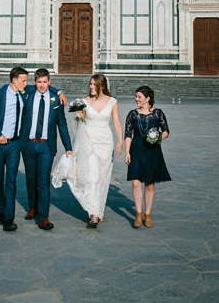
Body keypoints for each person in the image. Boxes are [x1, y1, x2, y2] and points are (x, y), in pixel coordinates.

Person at [0, 66, 66, 231]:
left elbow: (42, 85)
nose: (26, 84)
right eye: (23, 81)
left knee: (11, 180)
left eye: (26, 81)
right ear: (14, 80)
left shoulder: (24, 94)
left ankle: (9, 219)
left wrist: (59, 92)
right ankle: (2, 212)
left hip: (15, 144)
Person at [56, 73, 123, 228]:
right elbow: (78, 124)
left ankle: (98, 212)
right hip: (89, 143)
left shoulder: (112, 102)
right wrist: (79, 117)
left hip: (106, 144)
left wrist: (120, 141)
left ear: (103, 86)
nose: (91, 87)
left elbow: (117, 122)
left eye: (95, 85)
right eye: (90, 84)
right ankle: (93, 214)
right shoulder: (83, 102)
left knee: (103, 178)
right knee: (92, 177)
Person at [20, 69, 72, 230]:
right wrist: (59, 89)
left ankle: (43, 217)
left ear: (49, 82)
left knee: (43, 181)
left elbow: (61, 124)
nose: (42, 85)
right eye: (39, 82)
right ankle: (32, 207)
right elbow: (16, 86)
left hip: (46, 146)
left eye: (45, 82)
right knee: (30, 179)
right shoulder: (28, 93)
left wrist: (68, 147)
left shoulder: (55, 100)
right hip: (28, 144)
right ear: (34, 82)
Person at [125, 86, 170, 228]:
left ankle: (148, 214)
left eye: (139, 97)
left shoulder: (158, 114)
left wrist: (157, 137)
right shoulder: (132, 114)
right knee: (135, 182)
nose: (136, 99)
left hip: (152, 150)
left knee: (150, 184)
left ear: (148, 98)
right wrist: (127, 152)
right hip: (136, 149)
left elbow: (166, 131)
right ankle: (139, 213)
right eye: (136, 97)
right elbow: (128, 135)